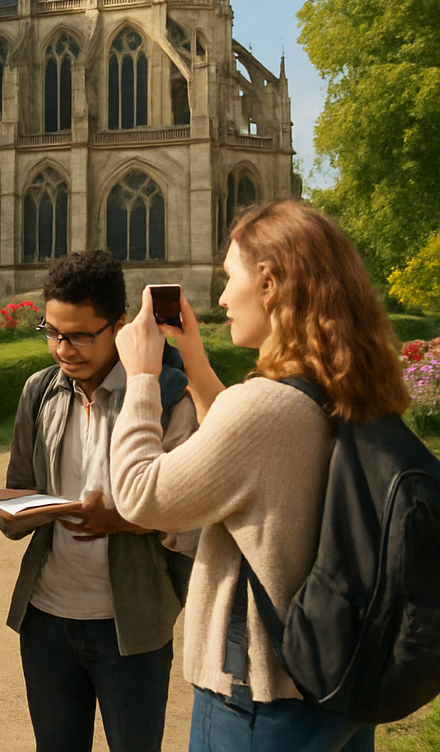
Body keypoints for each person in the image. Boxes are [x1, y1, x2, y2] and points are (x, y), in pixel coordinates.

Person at [110, 200, 407, 751]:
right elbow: (248, 455)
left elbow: (139, 495)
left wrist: (143, 378)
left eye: (230, 278)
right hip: (336, 677)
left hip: (259, 692)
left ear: (268, 283)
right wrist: (192, 357)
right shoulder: (346, 390)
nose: (221, 297)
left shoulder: (264, 409)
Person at [0, 249, 198, 752]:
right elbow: (19, 485)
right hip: (45, 620)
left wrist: (128, 519)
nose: (64, 349)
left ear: (121, 327)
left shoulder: (168, 396)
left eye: (81, 335)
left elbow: (193, 521)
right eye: (52, 332)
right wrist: (9, 508)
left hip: (130, 626)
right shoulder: (38, 392)